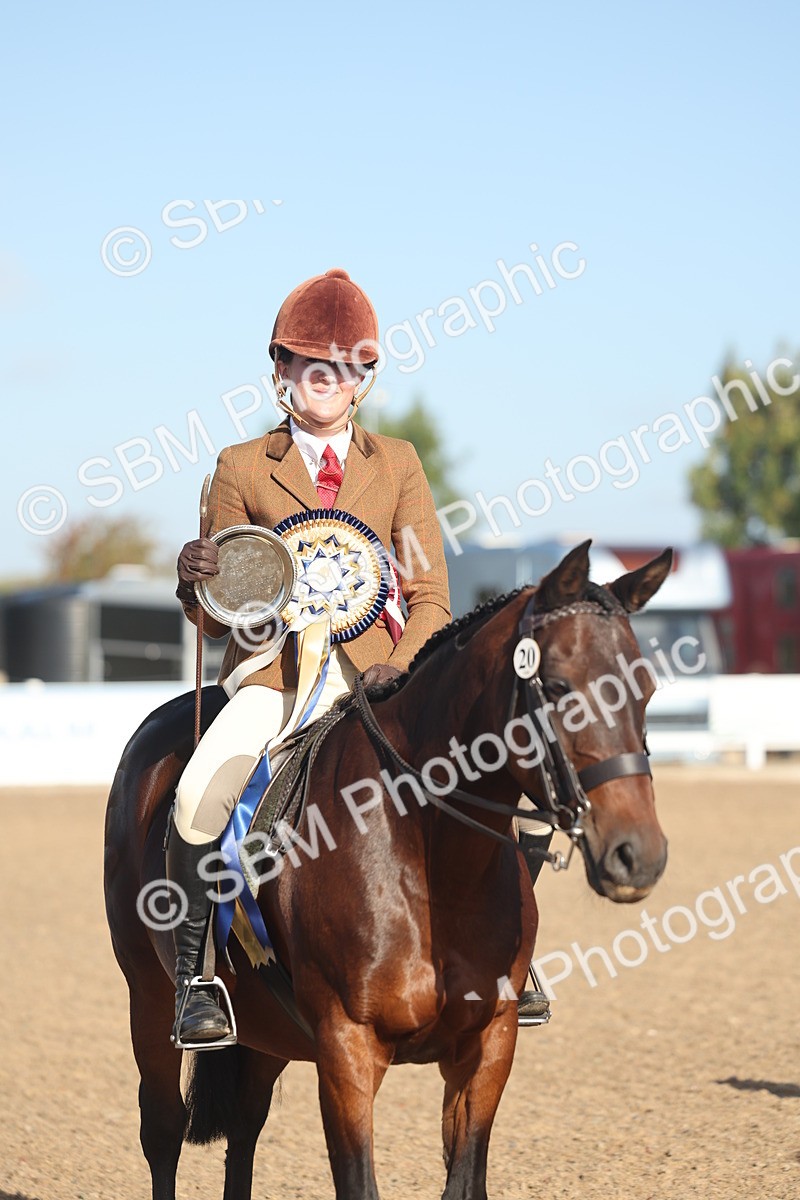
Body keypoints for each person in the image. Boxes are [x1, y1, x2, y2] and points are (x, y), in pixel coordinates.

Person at [169, 268, 452, 1045]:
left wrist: (403, 662)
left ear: (362, 381)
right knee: (199, 794)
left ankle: (504, 960)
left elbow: (429, 592)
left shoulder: (397, 465)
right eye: (310, 364)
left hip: (382, 674)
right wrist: (193, 580)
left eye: (346, 366)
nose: (327, 379)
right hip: (276, 675)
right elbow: (219, 607)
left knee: (483, 762)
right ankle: (199, 982)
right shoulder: (238, 468)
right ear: (282, 375)